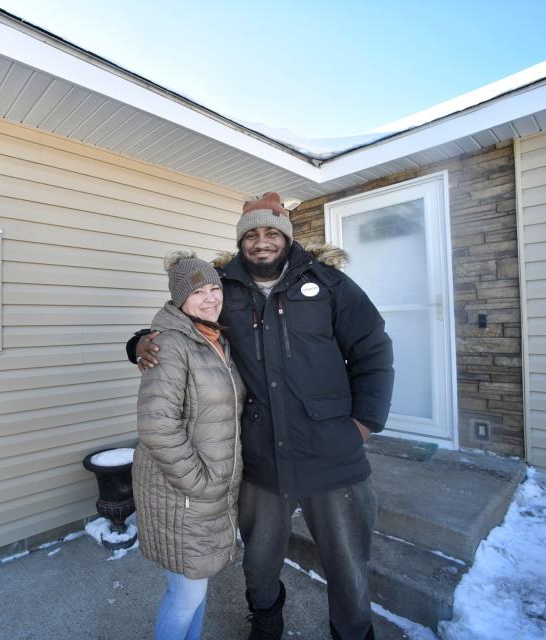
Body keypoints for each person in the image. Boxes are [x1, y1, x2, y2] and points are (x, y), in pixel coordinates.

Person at [128, 193, 394, 640]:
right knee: (260, 557)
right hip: (260, 455)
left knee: (346, 559)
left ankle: (352, 632)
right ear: (240, 242)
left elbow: (372, 347)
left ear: (287, 236)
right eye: (250, 234)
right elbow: (182, 320)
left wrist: (364, 422)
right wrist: (138, 342)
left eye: (271, 232)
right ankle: (266, 620)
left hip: (332, 451)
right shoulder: (223, 287)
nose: (261, 242)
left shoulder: (328, 284)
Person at [133, 250, 245, 640]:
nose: (212, 298)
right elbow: (156, 426)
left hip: (212, 493)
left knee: (197, 588)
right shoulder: (170, 344)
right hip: (184, 494)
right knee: (185, 593)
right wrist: (198, 482)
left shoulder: (215, 340)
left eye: (216, 288)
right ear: (180, 299)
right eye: (199, 292)